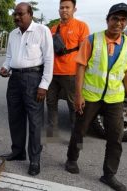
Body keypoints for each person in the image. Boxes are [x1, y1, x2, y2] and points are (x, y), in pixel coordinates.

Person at [65, 3, 127, 191]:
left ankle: (109, 174)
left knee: (116, 138)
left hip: (114, 99)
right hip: (91, 96)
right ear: (107, 20)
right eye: (115, 19)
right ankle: (72, 159)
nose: (118, 23)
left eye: (123, 20)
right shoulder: (92, 40)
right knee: (80, 130)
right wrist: (78, 95)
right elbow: (80, 66)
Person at [0, 2, 54, 176]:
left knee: (35, 121)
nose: (17, 17)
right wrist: (5, 67)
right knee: (15, 117)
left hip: (33, 78)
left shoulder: (42, 31)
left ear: (30, 14)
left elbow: (49, 59)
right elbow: (9, 57)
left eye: (20, 14)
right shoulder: (13, 34)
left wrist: (44, 85)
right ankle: (18, 152)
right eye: (15, 14)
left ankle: (35, 160)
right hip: (14, 79)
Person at [47, 0, 89, 137]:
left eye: (67, 7)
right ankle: (52, 134)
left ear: (74, 9)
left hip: (71, 73)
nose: (64, 10)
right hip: (53, 73)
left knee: (74, 107)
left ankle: (76, 138)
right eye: (61, 7)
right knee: (51, 103)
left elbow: (84, 51)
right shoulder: (54, 29)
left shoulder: (81, 26)